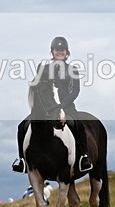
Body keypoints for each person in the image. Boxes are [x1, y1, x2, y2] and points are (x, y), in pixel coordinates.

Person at [13, 36, 92, 173]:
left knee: (78, 124)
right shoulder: (43, 68)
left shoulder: (72, 69)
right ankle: (22, 160)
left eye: (62, 50)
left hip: (66, 107)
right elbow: (36, 86)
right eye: (57, 50)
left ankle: (84, 157)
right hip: (47, 108)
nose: (59, 52)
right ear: (52, 52)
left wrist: (63, 103)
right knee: (22, 126)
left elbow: (75, 91)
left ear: (67, 53)